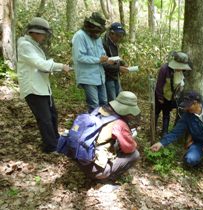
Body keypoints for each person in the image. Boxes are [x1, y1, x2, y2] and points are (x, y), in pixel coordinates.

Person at [17, 17, 70, 153]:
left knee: (53, 115)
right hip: (33, 88)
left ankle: (56, 141)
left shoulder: (33, 45)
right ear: (33, 33)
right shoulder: (25, 45)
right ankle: (50, 147)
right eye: (42, 34)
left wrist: (55, 67)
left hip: (42, 87)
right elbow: (40, 63)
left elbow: (41, 66)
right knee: (45, 119)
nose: (44, 37)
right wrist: (60, 66)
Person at [79, 91, 140, 181]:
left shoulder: (99, 110)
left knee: (113, 144)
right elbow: (129, 148)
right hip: (96, 170)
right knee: (135, 154)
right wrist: (131, 138)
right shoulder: (120, 124)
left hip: (81, 161)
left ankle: (96, 172)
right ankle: (106, 179)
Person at [72, 12, 113, 112]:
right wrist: (98, 60)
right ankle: (94, 126)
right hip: (88, 77)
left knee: (104, 102)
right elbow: (79, 57)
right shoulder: (79, 36)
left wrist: (107, 60)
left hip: (100, 76)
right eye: (95, 31)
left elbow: (102, 53)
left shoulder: (97, 38)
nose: (97, 34)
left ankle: (103, 125)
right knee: (94, 105)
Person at [155, 51, 192, 135]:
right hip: (160, 95)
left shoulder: (182, 72)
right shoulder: (164, 69)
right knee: (156, 113)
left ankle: (164, 133)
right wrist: (160, 97)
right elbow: (159, 84)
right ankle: (153, 130)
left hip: (170, 97)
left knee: (166, 114)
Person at [102, 22, 128, 102]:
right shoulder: (104, 44)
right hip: (108, 77)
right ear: (111, 33)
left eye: (121, 36)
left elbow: (115, 58)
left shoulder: (115, 44)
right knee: (112, 101)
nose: (119, 38)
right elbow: (104, 63)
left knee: (119, 99)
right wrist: (119, 68)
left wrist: (122, 63)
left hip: (115, 75)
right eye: (117, 35)